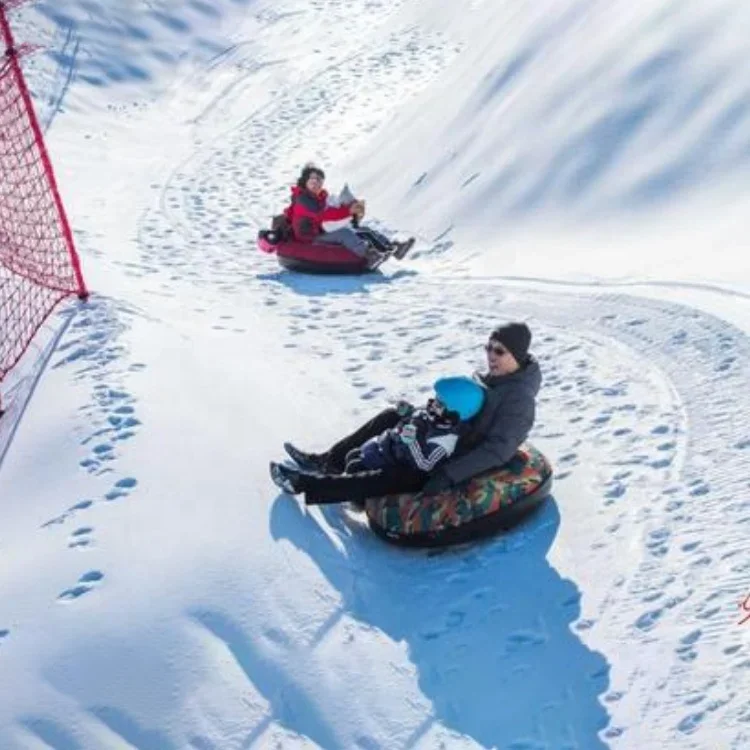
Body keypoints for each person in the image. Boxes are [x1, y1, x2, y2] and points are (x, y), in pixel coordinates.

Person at [271, 322, 541, 504]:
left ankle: (306, 485)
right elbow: (454, 408)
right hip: (446, 433)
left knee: (404, 474)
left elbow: (497, 450)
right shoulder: (492, 378)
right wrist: (419, 415)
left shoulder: (519, 400)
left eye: (499, 351)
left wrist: (449, 475)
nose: (490, 356)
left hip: (450, 456)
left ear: (516, 356)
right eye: (488, 348)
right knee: (391, 416)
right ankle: (328, 461)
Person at [270, 377, 485, 505]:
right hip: (394, 449)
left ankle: (302, 484)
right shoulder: (442, 415)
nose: (432, 404)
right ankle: (327, 462)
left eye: (439, 403)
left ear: (454, 413)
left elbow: (426, 462)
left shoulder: (445, 438)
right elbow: (427, 415)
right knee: (356, 454)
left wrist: (411, 441)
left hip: (416, 470)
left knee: (366, 473)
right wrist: (409, 412)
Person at [282, 164, 414, 264]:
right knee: (345, 234)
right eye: (313, 179)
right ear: (305, 180)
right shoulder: (303, 199)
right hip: (310, 237)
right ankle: (368, 255)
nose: (316, 182)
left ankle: (394, 248)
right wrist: (348, 211)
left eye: (320, 180)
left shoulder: (319, 197)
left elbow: (331, 210)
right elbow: (323, 214)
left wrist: (351, 209)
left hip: (321, 231)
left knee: (363, 230)